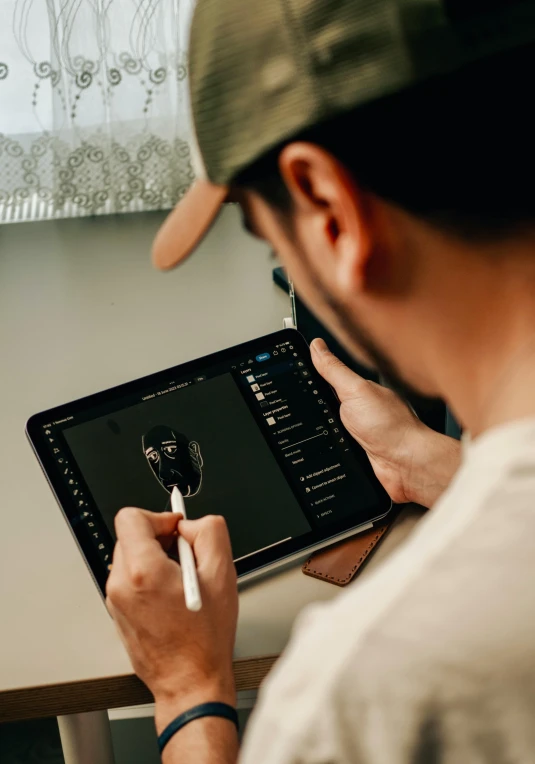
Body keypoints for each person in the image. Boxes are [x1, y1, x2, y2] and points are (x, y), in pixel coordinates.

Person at [105, 1, 535, 761]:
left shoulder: (369, 693)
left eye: (263, 230)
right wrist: (432, 466)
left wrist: (186, 689)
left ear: (330, 214)